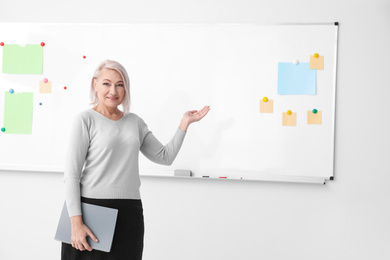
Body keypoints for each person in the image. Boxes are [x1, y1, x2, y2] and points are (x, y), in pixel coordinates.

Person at [62, 60, 210, 260]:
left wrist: (184, 123)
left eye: (120, 84)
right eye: (106, 83)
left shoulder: (134, 122)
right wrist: (75, 222)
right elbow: (71, 175)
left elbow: (165, 157)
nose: (113, 90)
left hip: (129, 211)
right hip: (91, 210)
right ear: (95, 84)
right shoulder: (84, 120)